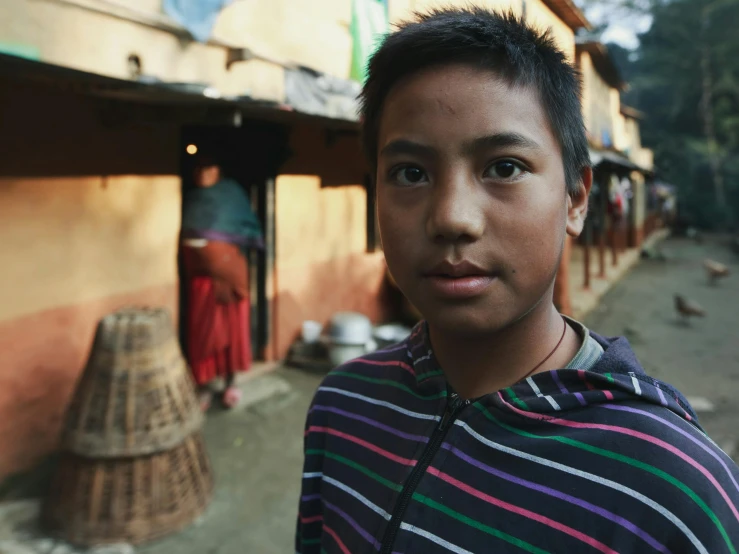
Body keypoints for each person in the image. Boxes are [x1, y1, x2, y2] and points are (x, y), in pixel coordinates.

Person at [296, 9, 739, 554]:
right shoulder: (342, 409)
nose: (453, 217)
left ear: (575, 199)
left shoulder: (674, 489)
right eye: (411, 173)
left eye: (504, 167)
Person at [180, 154, 263, 410]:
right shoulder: (192, 198)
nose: (202, 173)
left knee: (232, 330)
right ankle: (205, 384)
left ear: (220, 170)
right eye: (198, 168)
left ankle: (230, 383)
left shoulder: (231, 195)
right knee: (203, 334)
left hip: (230, 278)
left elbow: (246, 228)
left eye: (209, 166)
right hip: (202, 283)